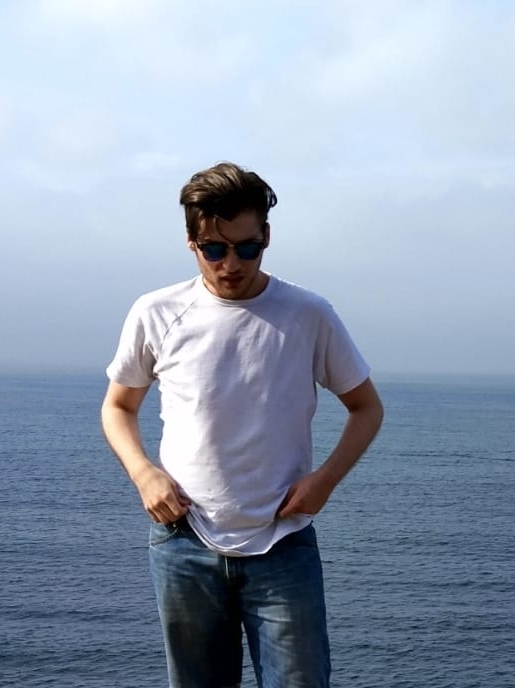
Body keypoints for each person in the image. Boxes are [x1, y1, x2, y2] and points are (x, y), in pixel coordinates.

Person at [101, 161, 383, 688]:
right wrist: (144, 474)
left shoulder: (308, 314)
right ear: (191, 242)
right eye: (214, 249)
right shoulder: (156, 312)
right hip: (183, 541)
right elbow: (118, 406)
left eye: (247, 248)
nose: (231, 264)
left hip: (283, 543)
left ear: (267, 237)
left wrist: (324, 481)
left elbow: (366, 407)